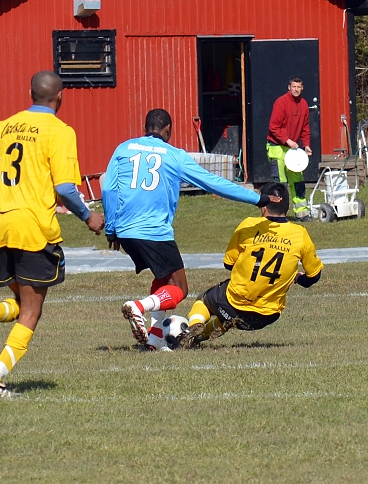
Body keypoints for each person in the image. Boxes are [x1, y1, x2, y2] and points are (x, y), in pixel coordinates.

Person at [0, 71, 104, 399]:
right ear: (60, 96)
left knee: (23, 301)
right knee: (31, 311)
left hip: (0, 225)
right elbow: (65, 188)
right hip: (32, 228)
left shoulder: (2, 128)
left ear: (30, 93)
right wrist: (87, 216)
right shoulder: (60, 131)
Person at [103, 108, 281, 349]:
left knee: (163, 279)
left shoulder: (123, 149)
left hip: (124, 230)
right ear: (168, 130)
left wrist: (111, 229)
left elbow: (108, 189)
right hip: (154, 232)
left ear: (146, 128)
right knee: (180, 288)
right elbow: (213, 182)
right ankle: (139, 307)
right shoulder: (175, 156)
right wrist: (256, 199)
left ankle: (155, 339)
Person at [177, 182, 323, 349]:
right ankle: (198, 339)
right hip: (265, 317)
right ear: (288, 206)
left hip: (232, 304)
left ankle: (191, 329)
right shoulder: (300, 234)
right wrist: (297, 278)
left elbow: (229, 264)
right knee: (226, 320)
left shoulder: (249, 224)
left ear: (263, 207)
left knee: (204, 300)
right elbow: (313, 277)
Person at [267, 76, 312, 219]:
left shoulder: (304, 104)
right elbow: (273, 127)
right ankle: (279, 214)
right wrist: (288, 141)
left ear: (302, 88)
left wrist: (306, 145)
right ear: (289, 87)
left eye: (299, 87)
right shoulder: (281, 103)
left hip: (292, 149)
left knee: (298, 180)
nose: (296, 89)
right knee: (280, 183)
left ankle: (302, 213)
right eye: (294, 87)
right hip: (277, 146)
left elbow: (305, 127)